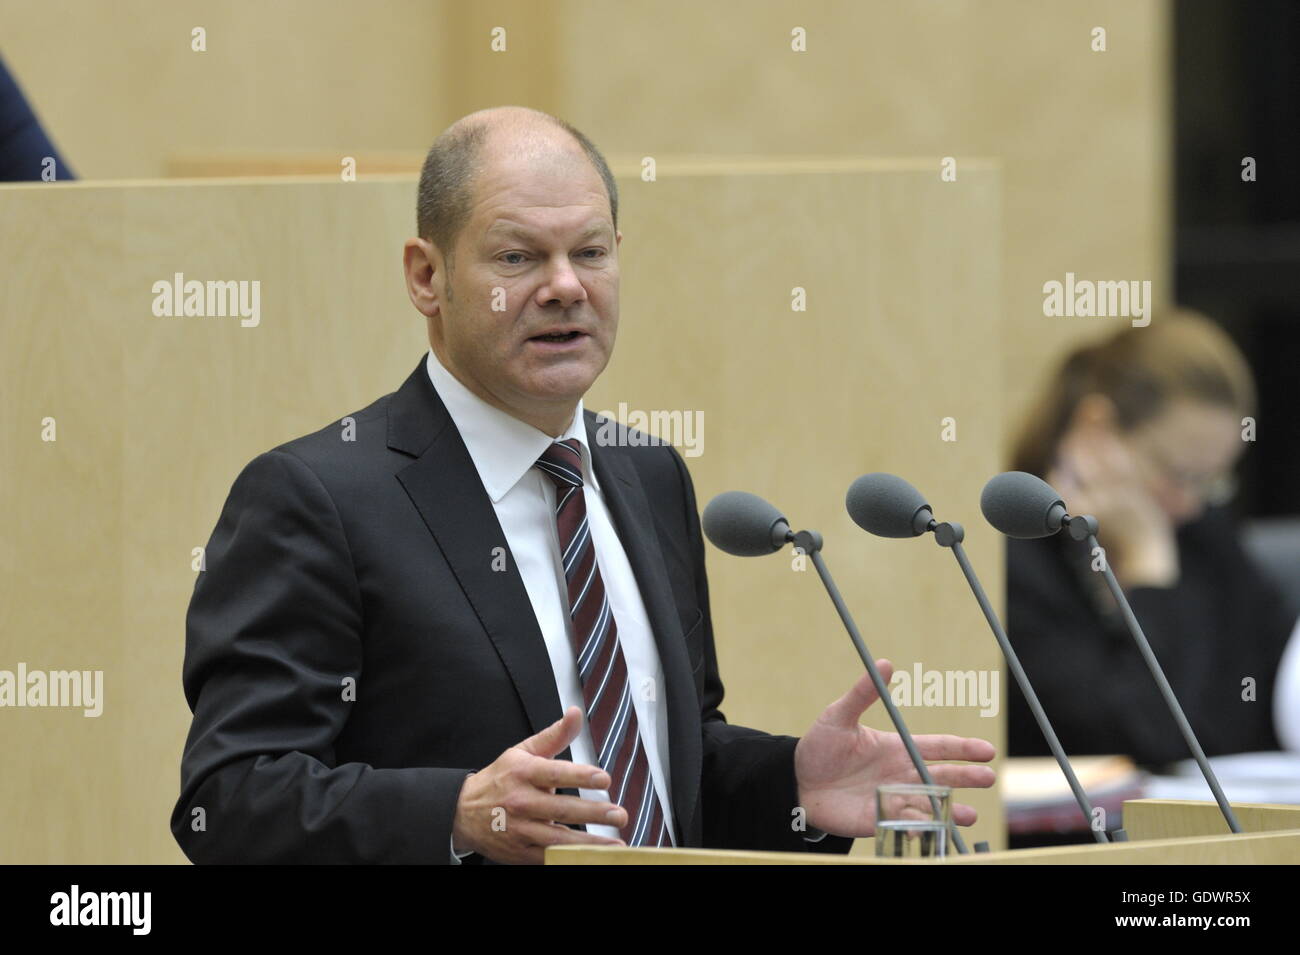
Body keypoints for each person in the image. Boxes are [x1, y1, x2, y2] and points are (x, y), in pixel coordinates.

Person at [171, 106, 995, 864]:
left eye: (590, 252)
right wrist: (456, 812)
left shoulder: (646, 471)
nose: (566, 285)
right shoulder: (316, 499)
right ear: (428, 276)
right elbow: (229, 799)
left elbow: (662, 761)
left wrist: (792, 788)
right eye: (518, 255)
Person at [1004, 309, 1300, 768]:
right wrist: (1148, 564)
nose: (1192, 504)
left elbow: (1266, 696)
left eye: (1213, 481)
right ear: (1097, 429)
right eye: (1179, 475)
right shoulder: (1016, 557)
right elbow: (1148, 735)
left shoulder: (1202, 534)